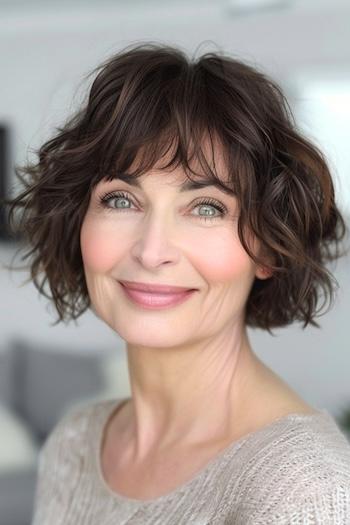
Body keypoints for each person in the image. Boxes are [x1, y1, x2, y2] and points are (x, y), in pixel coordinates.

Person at [6, 42, 350, 524]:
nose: (151, 250)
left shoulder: (304, 488)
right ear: (77, 221)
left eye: (207, 208)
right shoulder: (75, 443)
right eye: (121, 200)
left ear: (270, 247)